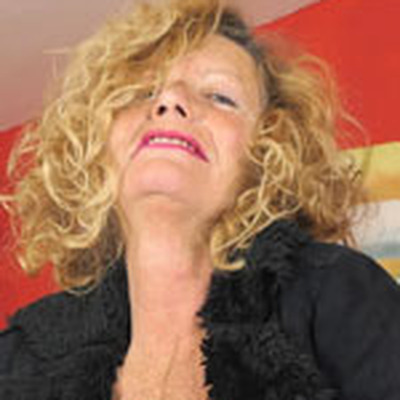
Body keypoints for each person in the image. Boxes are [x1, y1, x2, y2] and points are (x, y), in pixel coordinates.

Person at [1, 0, 399, 399]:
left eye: (219, 96)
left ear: (269, 152)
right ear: (97, 146)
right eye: (143, 91)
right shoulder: (20, 357)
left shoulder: (341, 294)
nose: (169, 99)